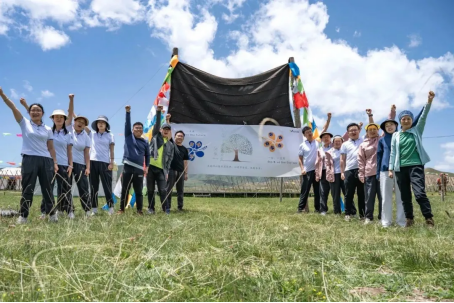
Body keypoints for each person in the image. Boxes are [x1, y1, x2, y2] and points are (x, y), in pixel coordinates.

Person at [0, 87, 58, 224]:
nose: (35, 112)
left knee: (47, 189)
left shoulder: (48, 129)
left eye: (38, 110)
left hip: (46, 160)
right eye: (33, 110)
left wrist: (55, 162)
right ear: (29, 112)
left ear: (42, 113)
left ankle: (52, 215)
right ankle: (23, 216)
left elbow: (51, 147)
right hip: (29, 158)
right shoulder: (24, 123)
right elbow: (13, 108)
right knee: (28, 188)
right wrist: (3, 95)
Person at [20, 97, 75, 219]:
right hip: (49, 163)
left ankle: (68, 210)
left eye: (61, 117)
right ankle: (45, 212)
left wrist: (71, 100)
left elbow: (69, 151)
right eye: (56, 117)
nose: (59, 119)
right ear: (52, 119)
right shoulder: (47, 130)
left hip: (64, 164)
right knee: (48, 188)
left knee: (65, 188)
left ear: (64, 119)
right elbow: (34, 114)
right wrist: (25, 105)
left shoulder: (68, 133)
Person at [389, 91, 435, 227]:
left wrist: (429, 101)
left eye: (409, 118)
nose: (406, 120)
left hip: (415, 166)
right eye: (403, 118)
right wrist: (391, 168)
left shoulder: (417, 130)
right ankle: (409, 219)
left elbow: (424, 117)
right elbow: (393, 152)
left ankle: (429, 218)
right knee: (405, 196)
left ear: (411, 120)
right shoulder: (396, 135)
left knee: (419, 193)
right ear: (400, 121)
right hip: (400, 168)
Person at [118, 105, 150, 215]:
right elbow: (127, 124)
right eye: (136, 128)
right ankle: (121, 209)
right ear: (132, 130)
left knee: (138, 191)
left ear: (142, 131)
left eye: (140, 128)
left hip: (139, 169)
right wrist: (128, 112)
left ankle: (139, 210)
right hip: (127, 166)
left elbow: (148, 155)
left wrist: (147, 167)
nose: (138, 129)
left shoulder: (145, 142)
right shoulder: (128, 136)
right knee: (125, 189)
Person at [377, 106, 406, 227]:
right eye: (387, 125)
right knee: (386, 198)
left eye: (391, 124)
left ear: (396, 126)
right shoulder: (381, 140)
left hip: (400, 170)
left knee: (401, 197)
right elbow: (378, 157)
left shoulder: (401, 137)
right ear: (384, 128)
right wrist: (378, 173)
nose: (389, 126)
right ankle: (386, 222)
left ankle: (401, 222)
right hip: (384, 171)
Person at [297, 113, 331, 213]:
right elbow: (300, 158)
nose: (309, 133)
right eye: (307, 132)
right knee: (305, 190)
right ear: (304, 135)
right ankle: (300, 209)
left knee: (318, 191)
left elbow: (324, 129)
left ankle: (317, 209)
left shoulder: (318, 141)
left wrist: (328, 118)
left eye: (310, 131)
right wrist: (302, 169)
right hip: (307, 171)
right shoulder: (302, 145)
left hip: (318, 171)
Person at [147, 105, 174, 214]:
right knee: (150, 190)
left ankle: (165, 208)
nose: (166, 131)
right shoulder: (155, 137)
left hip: (161, 170)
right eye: (164, 129)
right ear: (161, 130)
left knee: (163, 190)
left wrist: (166, 172)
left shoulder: (170, 145)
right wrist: (159, 112)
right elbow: (157, 124)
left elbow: (169, 160)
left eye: (168, 130)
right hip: (150, 168)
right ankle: (151, 208)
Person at [358, 109, 383, 224]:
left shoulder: (381, 140)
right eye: (370, 130)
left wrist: (370, 116)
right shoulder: (363, 144)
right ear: (367, 132)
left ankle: (382, 217)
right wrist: (361, 174)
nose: (372, 131)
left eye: (374, 129)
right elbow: (361, 160)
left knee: (382, 196)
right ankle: (369, 217)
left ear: (378, 131)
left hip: (382, 172)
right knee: (369, 196)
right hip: (369, 172)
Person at [87, 115, 115, 215]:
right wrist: (73, 114)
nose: (101, 124)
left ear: (106, 124)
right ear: (96, 124)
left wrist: (112, 162)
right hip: (92, 162)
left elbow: (112, 149)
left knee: (107, 186)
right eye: (99, 122)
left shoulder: (110, 135)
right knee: (93, 186)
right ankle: (94, 209)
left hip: (105, 163)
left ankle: (111, 208)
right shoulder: (92, 134)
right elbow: (82, 124)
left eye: (103, 122)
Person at [340, 120, 367, 221]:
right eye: (351, 131)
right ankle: (348, 213)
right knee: (348, 193)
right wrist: (342, 172)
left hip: (362, 170)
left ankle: (362, 215)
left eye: (355, 130)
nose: (353, 132)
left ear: (359, 131)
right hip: (349, 171)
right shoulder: (345, 144)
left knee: (362, 194)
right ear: (348, 133)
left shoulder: (364, 140)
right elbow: (342, 159)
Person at [70, 102, 92, 217]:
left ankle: (87, 210)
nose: (80, 124)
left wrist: (88, 167)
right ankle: (69, 210)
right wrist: (72, 100)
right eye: (78, 121)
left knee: (83, 187)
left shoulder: (86, 137)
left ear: (85, 126)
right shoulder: (68, 131)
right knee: (66, 187)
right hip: (67, 163)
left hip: (81, 165)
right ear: (74, 122)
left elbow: (87, 154)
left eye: (83, 123)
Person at [165, 113, 190, 211]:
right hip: (171, 170)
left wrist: (186, 173)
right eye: (178, 136)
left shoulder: (185, 149)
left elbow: (185, 162)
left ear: (183, 138)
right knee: (169, 190)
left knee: (180, 191)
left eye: (181, 136)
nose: (179, 137)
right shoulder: (171, 144)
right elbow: (169, 132)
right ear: (175, 137)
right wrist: (167, 121)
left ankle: (180, 207)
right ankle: (167, 207)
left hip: (180, 172)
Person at [323, 135, 345, 215]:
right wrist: (329, 174)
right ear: (333, 142)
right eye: (336, 141)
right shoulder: (329, 152)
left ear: (342, 142)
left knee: (347, 193)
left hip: (344, 173)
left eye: (339, 141)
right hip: (334, 175)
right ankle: (337, 212)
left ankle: (351, 211)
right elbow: (327, 164)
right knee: (335, 194)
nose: (338, 143)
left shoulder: (345, 150)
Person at [315, 129, 333, 215]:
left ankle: (337, 209)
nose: (326, 138)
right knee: (323, 192)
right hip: (323, 172)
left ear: (330, 138)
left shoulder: (335, 147)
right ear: (321, 139)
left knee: (335, 191)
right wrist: (317, 174)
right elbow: (317, 162)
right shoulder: (320, 149)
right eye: (324, 137)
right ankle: (323, 210)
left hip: (333, 172)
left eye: (328, 137)